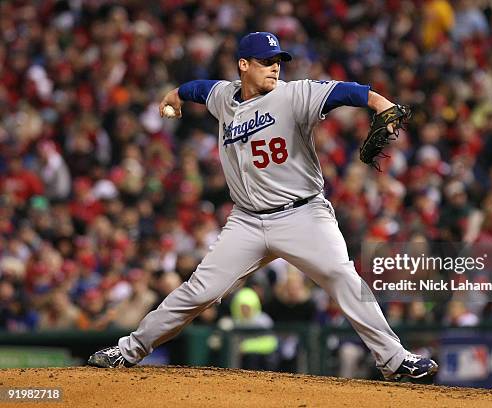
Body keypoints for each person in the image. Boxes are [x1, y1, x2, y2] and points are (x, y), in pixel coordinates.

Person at [87, 32, 438, 381]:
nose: (275, 69)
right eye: (266, 62)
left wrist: (380, 104)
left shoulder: (294, 95)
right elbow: (197, 88)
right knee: (199, 291)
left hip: (303, 214)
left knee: (343, 276)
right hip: (246, 223)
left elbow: (345, 91)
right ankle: (129, 350)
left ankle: (394, 359)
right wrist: (173, 96)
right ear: (243, 65)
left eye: (278, 62)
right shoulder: (224, 96)